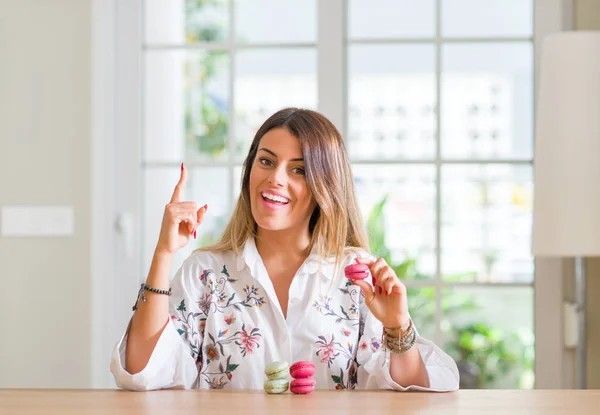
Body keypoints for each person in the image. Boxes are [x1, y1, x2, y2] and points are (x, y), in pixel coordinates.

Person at [110, 108, 459, 391]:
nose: (276, 178)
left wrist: (398, 326)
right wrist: (163, 253)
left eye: (299, 170)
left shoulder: (358, 275)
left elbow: (410, 396)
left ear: (326, 186)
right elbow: (142, 372)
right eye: (266, 161)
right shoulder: (205, 272)